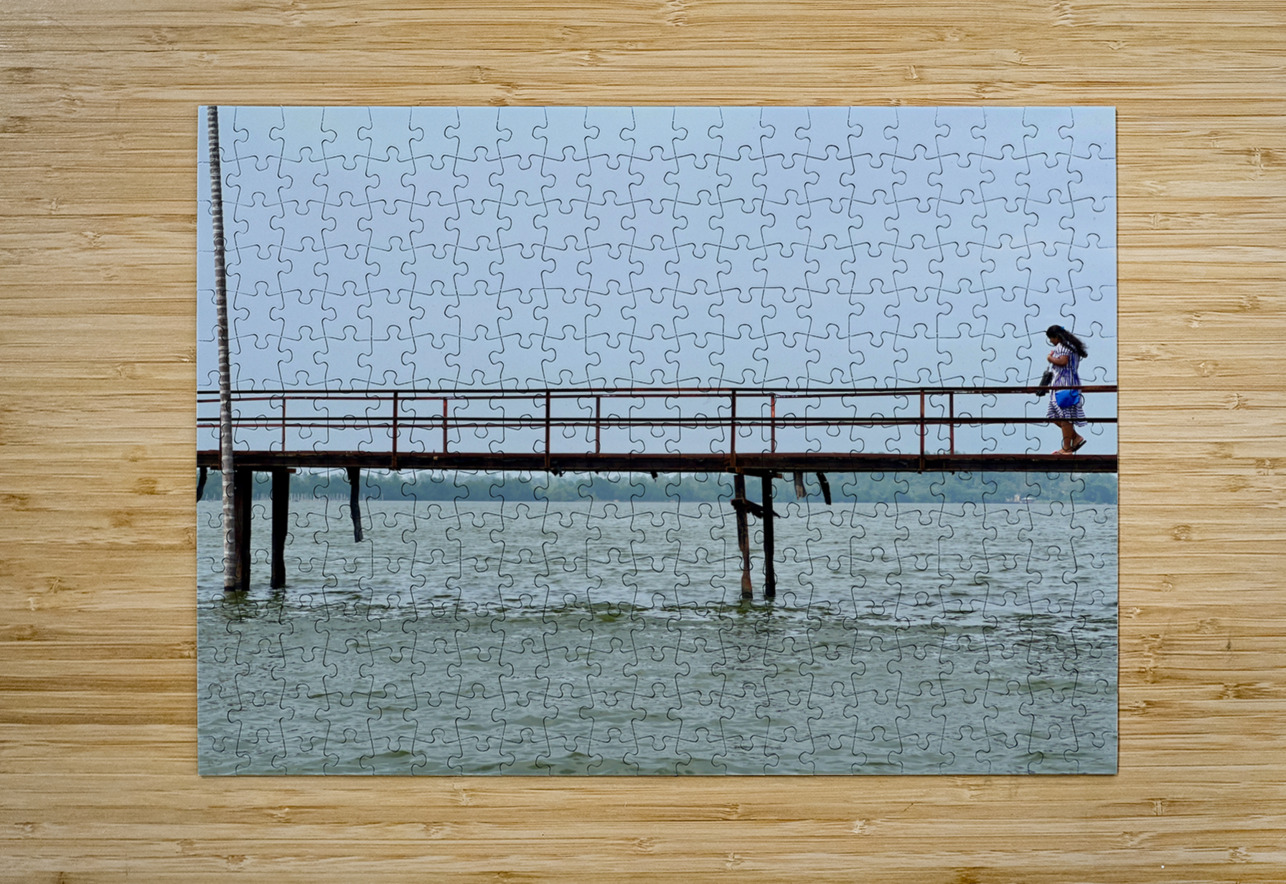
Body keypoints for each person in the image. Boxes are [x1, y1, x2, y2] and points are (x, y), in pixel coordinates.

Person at [1045, 324, 1088, 454]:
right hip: (1066, 384)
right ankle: (1075, 438)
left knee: (1065, 417)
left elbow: (1063, 362)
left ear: (1056, 337)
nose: (1051, 342)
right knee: (1054, 415)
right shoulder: (1071, 346)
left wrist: (1050, 358)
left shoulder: (1063, 346)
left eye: (1051, 338)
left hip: (1064, 385)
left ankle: (1066, 448)